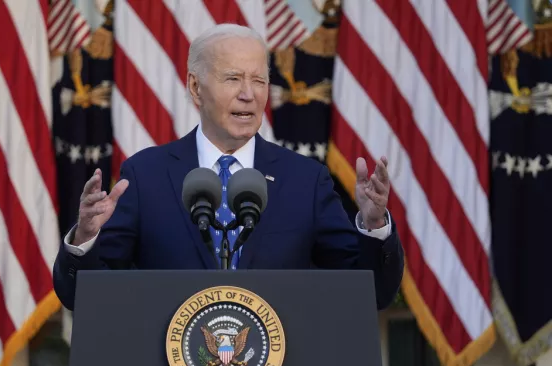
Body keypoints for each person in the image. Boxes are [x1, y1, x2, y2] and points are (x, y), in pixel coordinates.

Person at [53, 23, 404, 311]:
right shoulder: (147, 176)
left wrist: (374, 227)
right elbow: (82, 296)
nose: (248, 94)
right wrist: (85, 238)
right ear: (195, 87)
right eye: (233, 78)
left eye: (259, 80)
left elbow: (370, 292)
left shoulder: (304, 181)